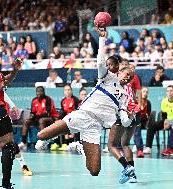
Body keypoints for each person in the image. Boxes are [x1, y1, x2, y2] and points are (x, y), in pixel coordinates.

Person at [35, 27, 136, 184]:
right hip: (82, 116)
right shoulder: (107, 77)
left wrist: (129, 117)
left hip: (95, 127)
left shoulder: (124, 96)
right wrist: (102, 38)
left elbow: (123, 121)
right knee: (40, 138)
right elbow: (101, 61)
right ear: (120, 72)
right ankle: (52, 137)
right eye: (127, 74)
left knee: (94, 171)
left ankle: (80, 145)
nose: (128, 78)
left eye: (131, 78)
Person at [0, 58, 22, 189]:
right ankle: (5, 185)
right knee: (8, 146)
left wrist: (14, 71)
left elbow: (4, 82)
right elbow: (0, 85)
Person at [144, 85, 173, 154]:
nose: (169, 93)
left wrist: (170, 122)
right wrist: (165, 122)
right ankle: (148, 147)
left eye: (171, 91)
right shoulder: (164, 101)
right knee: (152, 125)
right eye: (168, 91)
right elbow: (164, 115)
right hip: (167, 120)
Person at [50, 84, 80, 151]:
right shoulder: (63, 101)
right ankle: (57, 143)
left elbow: (77, 112)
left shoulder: (75, 100)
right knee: (57, 124)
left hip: (73, 118)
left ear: (71, 91)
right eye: (66, 90)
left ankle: (66, 143)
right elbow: (63, 112)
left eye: (69, 90)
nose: (67, 91)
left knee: (66, 125)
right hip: (66, 119)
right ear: (64, 92)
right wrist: (58, 119)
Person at [134, 87, 151, 156]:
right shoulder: (135, 101)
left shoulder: (148, 103)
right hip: (136, 120)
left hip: (145, 121)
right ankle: (139, 148)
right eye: (144, 91)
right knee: (137, 126)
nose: (145, 93)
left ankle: (144, 147)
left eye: (147, 92)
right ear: (140, 93)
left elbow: (148, 115)